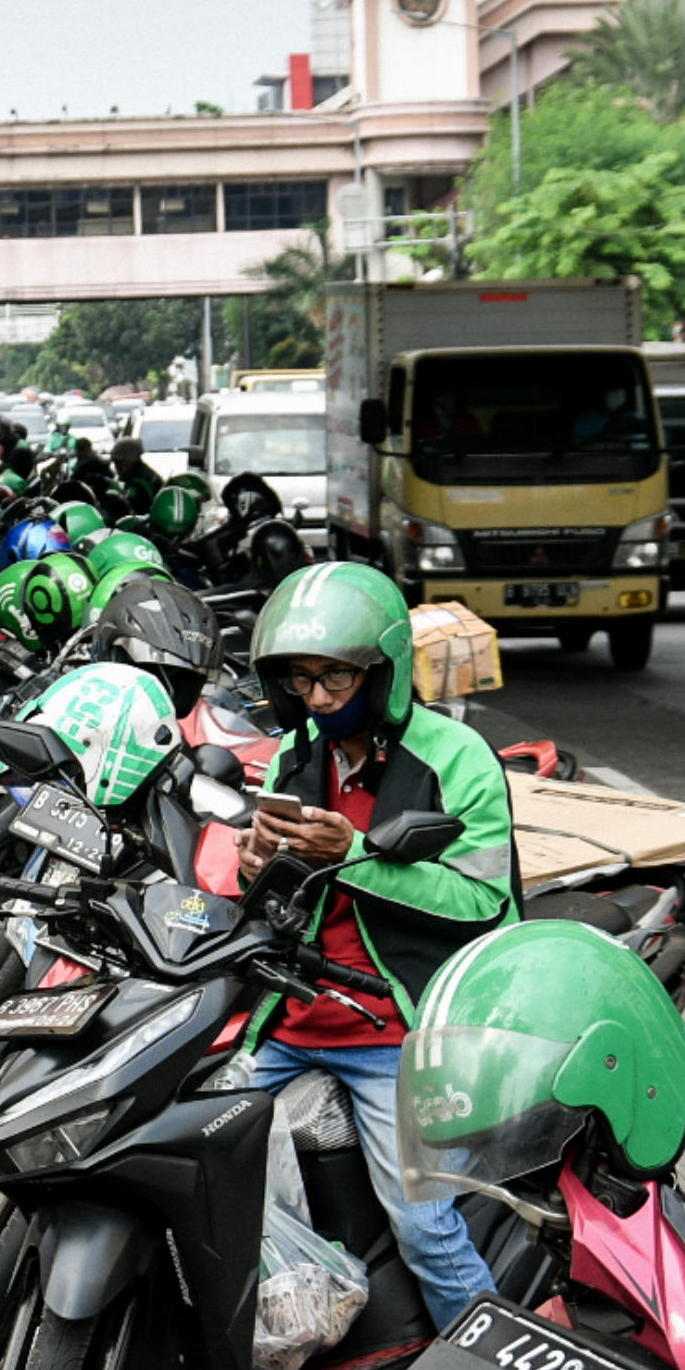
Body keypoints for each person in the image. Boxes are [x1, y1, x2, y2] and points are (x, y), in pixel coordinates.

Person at [233, 561, 515, 1328]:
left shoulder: (455, 758)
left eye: (337, 677)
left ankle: (489, 1362)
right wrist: (256, 866)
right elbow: (275, 894)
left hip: (394, 1030)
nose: (319, 698)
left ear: (382, 671)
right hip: (292, 1018)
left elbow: (483, 902)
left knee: (426, 1229)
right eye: (301, 680)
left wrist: (353, 854)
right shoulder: (296, 756)